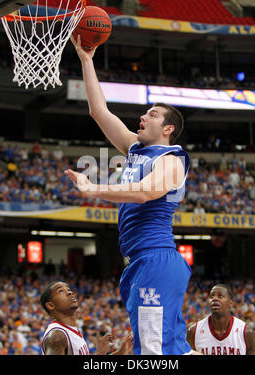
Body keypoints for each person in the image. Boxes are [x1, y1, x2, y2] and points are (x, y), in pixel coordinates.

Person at [65, 34, 196, 356]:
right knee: (170, 348)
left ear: (168, 129)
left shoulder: (172, 160)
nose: (142, 117)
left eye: (151, 115)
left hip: (156, 258)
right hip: (139, 261)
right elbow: (99, 111)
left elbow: (145, 193)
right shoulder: (135, 149)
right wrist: (86, 59)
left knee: (153, 351)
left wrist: (93, 188)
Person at [40, 281, 133, 355]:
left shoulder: (71, 330)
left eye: (68, 289)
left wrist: (121, 352)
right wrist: (99, 354)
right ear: (51, 305)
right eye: (60, 291)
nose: (69, 292)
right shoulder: (57, 336)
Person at [186, 284, 255, 355]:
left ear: (231, 302)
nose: (215, 299)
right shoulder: (194, 331)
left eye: (220, 296)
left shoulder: (246, 332)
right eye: (211, 296)